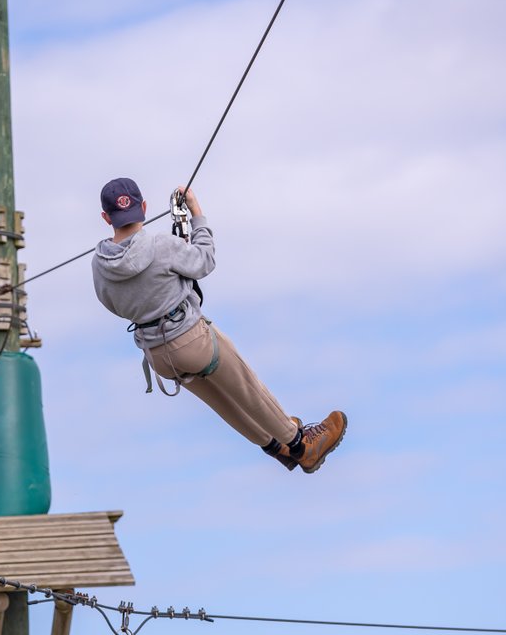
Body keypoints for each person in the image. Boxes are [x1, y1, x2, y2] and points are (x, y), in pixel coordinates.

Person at [91, 177, 347, 473]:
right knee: (246, 388)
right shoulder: (162, 244)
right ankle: (302, 445)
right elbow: (205, 261)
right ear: (143, 208)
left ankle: (278, 449)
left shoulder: (100, 264)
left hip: (157, 355)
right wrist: (197, 213)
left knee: (223, 403)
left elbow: (111, 303)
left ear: (106, 217)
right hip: (191, 338)